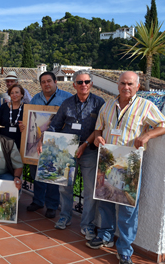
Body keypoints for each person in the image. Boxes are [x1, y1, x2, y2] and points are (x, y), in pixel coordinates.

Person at [86, 71, 165, 264]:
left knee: (127, 208)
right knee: (106, 201)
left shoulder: (146, 106)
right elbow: (99, 128)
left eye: (130, 84)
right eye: (123, 83)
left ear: (137, 87)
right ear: (118, 85)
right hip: (108, 161)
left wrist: (147, 136)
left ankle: (124, 249)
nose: (126, 87)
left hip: (129, 164)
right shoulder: (107, 106)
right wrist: (98, 137)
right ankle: (106, 236)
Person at [46, 71, 105, 240]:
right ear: (74, 85)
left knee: (89, 190)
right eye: (80, 82)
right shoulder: (67, 103)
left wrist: (85, 144)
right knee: (65, 187)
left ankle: (87, 225)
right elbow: (55, 125)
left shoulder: (99, 103)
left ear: (91, 84)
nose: (83, 84)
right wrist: (47, 140)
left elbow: (99, 128)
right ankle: (65, 217)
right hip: (67, 150)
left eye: (86, 81)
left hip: (89, 152)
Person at [25, 71, 72, 218]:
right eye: (43, 82)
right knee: (37, 172)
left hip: (56, 142)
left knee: (52, 173)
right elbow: (30, 119)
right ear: (40, 84)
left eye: (49, 81)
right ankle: (38, 200)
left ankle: (52, 205)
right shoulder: (35, 99)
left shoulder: (66, 98)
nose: (46, 84)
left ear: (55, 82)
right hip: (37, 140)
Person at [0, 84, 24, 149]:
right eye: (12, 93)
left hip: (19, 143)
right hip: (3, 142)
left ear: (22, 94)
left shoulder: (26, 109)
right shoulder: (4, 107)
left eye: (17, 92)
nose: (14, 95)